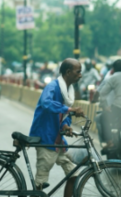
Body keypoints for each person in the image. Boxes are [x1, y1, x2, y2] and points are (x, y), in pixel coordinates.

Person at [29, 58, 84, 197]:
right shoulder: (52, 87)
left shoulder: (68, 91)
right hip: (46, 138)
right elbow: (46, 103)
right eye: (78, 72)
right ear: (68, 72)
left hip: (58, 141)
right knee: (40, 182)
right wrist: (70, 110)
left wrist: (66, 125)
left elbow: (64, 115)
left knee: (73, 175)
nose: (80, 75)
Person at [98, 59, 121, 147]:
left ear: (113, 69)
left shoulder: (113, 77)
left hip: (117, 107)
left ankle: (109, 141)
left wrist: (105, 106)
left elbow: (103, 93)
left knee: (102, 117)